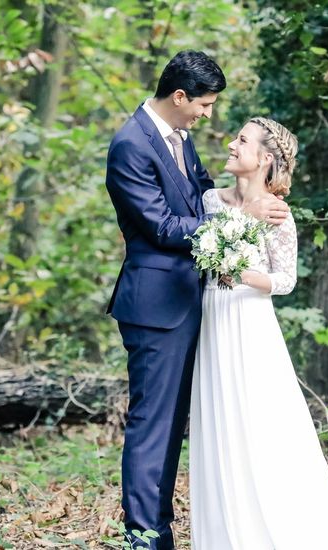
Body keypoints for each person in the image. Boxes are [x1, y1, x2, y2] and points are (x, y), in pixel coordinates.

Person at [104, 51, 290, 550]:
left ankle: (171, 528)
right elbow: (161, 226)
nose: (209, 115)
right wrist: (242, 216)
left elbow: (205, 198)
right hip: (156, 306)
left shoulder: (179, 138)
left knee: (183, 423)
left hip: (198, 301)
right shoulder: (130, 145)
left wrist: (246, 204)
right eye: (204, 105)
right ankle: (145, 537)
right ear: (180, 96)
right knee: (153, 423)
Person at [189, 117, 328, 549]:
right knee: (216, 423)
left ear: (265, 157)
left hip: (249, 324)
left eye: (241, 140)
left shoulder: (278, 214)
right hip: (211, 321)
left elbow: (285, 279)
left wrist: (240, 273)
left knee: (257, 426)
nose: (231, 144)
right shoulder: (209, 201)